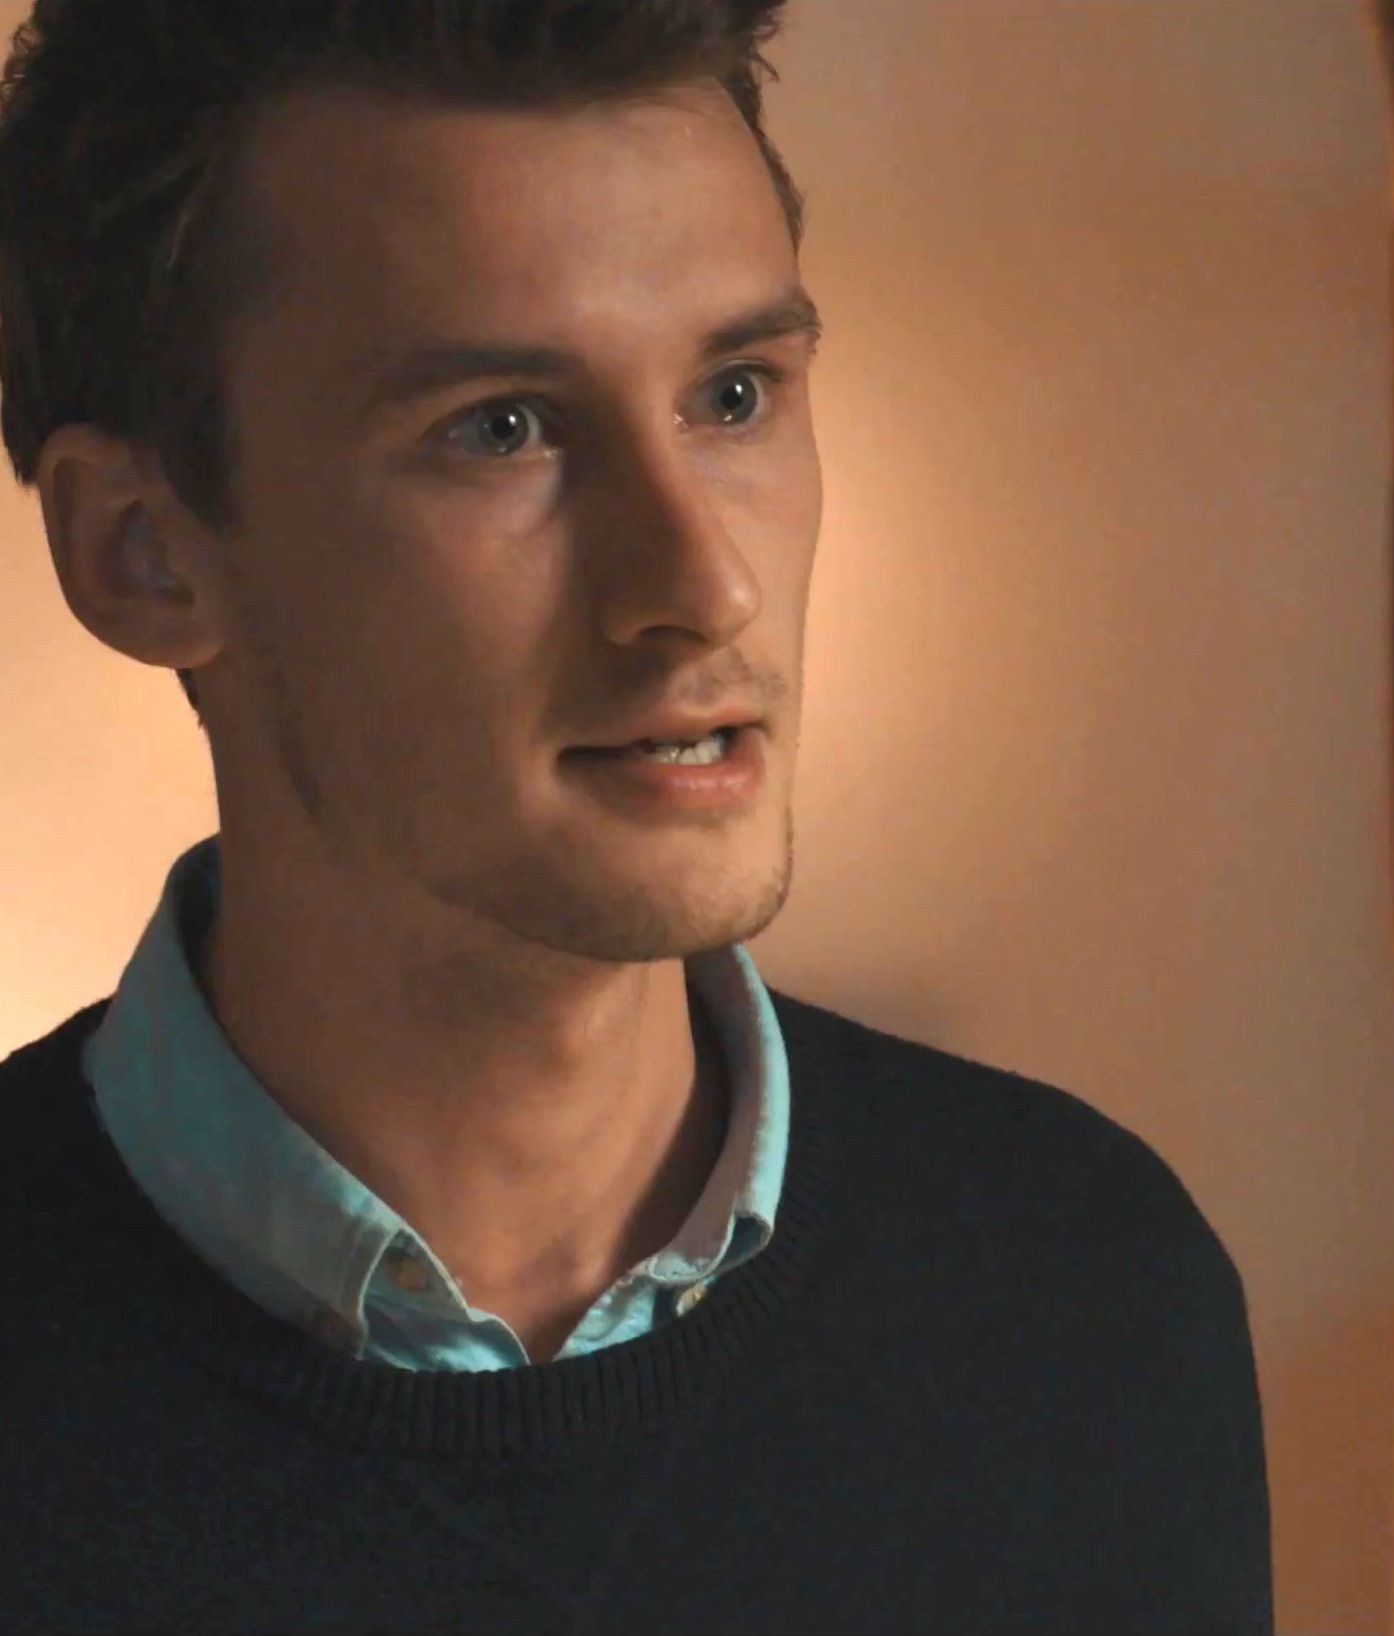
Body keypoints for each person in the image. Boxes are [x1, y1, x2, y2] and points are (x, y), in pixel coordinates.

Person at [0, 2, 1272, 1630]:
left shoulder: (1088, 1296)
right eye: (502, 429)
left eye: (735, 395)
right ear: (143, 552)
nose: (700, 583)